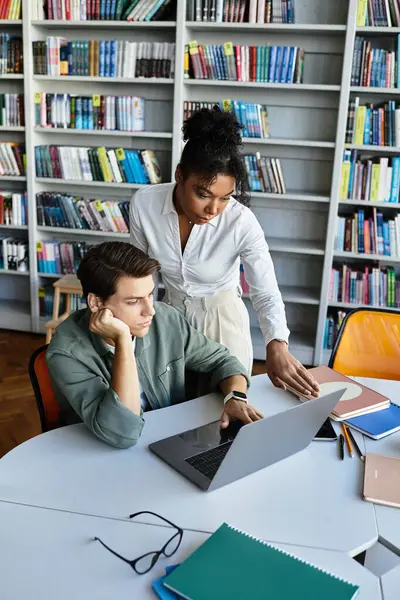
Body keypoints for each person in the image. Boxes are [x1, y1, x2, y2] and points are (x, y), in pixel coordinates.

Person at [130, 106, 319, 398]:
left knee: (222, 415)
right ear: (180, 175)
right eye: (203, 194)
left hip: (222, 324)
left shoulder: (241, 222)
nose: (213, 209)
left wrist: (276, 343)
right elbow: (139, 277)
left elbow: (266, 291)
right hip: (165, 322)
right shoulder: (144, 204)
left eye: (225, 198)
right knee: (164, 412)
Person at [46, 242, 262, 449]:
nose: (150, 310)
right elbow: (122, 433)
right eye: (133, 301)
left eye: (150, 294)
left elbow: (223, 361)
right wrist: (123, 341)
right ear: (96, 303)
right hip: (100, 459)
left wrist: (236, 397)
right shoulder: (67, 352)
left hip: (168, 442)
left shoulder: (166, 319)